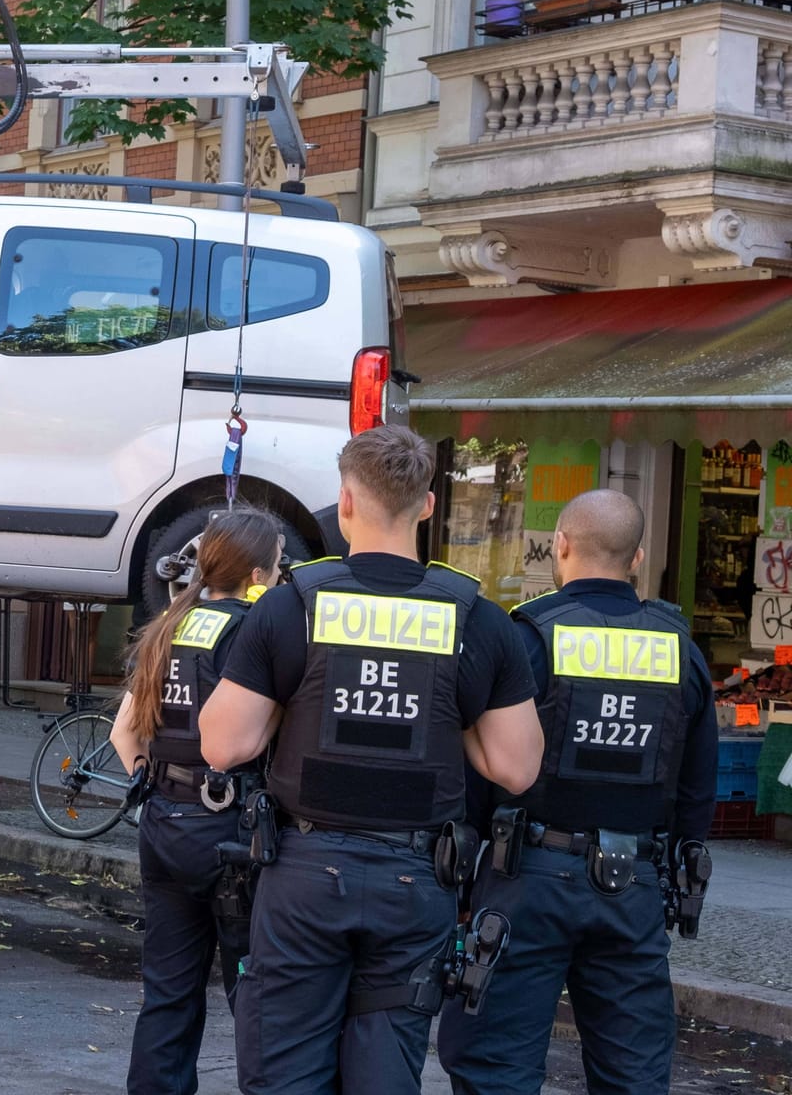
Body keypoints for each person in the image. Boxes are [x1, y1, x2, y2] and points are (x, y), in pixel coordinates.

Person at [198, 425, 544, 1095]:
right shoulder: (475, 617)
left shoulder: (291, 605)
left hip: (302, 877)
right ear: (428, 507)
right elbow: (517, 768)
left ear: (345, 503)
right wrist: (455, 722)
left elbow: (223, 745)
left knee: (284, 1077)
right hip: (416, 885)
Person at [437, 488, 718, 1095]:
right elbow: (697, 789)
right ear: (638, 557)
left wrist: (461, 883)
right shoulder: (680, 651)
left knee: (494, 1066)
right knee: (634, 1074)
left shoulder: (530, 637)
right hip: (634, 886)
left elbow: (481, 776)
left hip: (526, 879)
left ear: (560, 546)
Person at [110, 506, 284, 1095]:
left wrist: (153, 782)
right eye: (279, 565)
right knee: (255, 996)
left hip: (163, 823)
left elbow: (123, 733)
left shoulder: (168, 625)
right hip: (229, 831)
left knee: (167, 994)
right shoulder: (253, 633)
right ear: (258, 575)